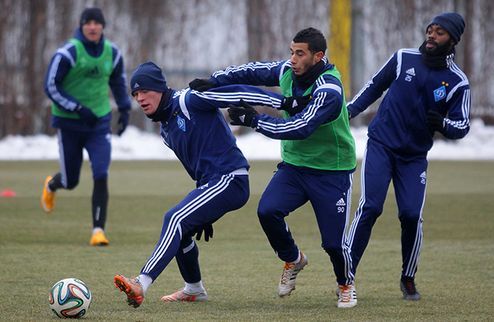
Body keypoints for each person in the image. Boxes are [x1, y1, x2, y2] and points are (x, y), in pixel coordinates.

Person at [190, 27, 358, 308]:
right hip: (295, 168)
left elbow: (300, 127)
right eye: (292, 51)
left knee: (333, 243)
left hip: (332, 172)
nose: (292, 58)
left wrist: (254, 121)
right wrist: (215, 80)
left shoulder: (330, 90)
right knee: (267, 211)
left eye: (300, 53)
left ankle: (346, 284)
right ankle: (293, 259)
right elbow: (251, 71)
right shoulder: (288, 71)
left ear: (318, 56)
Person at [113, 61, 290, 308]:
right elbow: (198, 167)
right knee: (182, 231)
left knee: (173, 219)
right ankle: (194, 289)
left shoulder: (189, 99)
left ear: (160, 88)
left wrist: (283, 102)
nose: (140, 98)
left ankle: (141, 282)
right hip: (212, 183)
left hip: (231, 178)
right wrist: (202, 209)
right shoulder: (166, 129)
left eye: (145, 91)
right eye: (135, 94)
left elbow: (236, 93)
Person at [344, 12, 470, 301]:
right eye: (430, 30)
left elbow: (461, 126)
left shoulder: (457, 82)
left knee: (411, 215)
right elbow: (373, 87)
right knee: (370, 207)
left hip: (413, 157)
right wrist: (347, 112)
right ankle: (346, 274)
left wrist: (443, 125)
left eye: (439, 33)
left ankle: (408, 277)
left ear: (452, 40)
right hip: (381, 145)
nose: (431, 36)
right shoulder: (403, 58)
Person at [41, 7, 131, 246]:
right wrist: (77, 108)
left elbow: (119, 81)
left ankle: (98, 231)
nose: (92, 27)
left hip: (99, 123)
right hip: (69, 124)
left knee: (101, 173)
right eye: (88, 22)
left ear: (103, 26)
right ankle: (52, 184)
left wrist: (124, 109)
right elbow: (50, 86)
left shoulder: (113, 52)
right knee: (71, 181)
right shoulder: (68, 52)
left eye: (96, 23)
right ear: (81, 26)